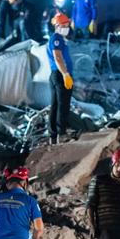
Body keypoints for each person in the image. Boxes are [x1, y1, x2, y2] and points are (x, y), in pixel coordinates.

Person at [47, 13, 74, 145]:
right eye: (64, 25)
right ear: (57, 26)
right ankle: (61, 134)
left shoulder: (59, 39)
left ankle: (53, 135)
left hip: (55, 74)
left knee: (56, 105)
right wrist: (65, 74)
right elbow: (57, 57)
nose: (67, 28)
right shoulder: (57, 38)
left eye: (67, 25)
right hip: (60, 74)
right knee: (63, 105)